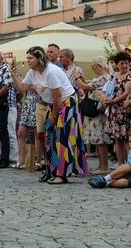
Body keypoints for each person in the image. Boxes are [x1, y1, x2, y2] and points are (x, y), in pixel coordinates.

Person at [19, 45, 84, 185]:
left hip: (66, 103)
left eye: (30, 58)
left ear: (39, 59)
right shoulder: (32, 72)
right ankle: (50, 170)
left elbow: (58, 96)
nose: (28, 60)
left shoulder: (51, 71)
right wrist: (13, 75)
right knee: (49, 138)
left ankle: (62, 174)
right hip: (53, 104)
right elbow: (22, 88)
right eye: (27, 58)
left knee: (62, 138)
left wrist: (54, 117)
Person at [102, 52, 131, 168]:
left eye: (126, 63)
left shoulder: (130, 76)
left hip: (123, 109)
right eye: (122, 63)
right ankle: (121, 164)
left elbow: (127, 92)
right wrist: (105, 99)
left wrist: (114, 101)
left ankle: (129, 164)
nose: (125, 66)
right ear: (117, 64)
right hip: (113, 110)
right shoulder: (114, 76)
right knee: (117, 139)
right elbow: (104, 90)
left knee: (125, 138)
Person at [80, 57, 112, 174]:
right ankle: (101, 165)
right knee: (97, 138)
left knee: (100, 138)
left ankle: (104, 165)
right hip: (96, 111)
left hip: (98, 111)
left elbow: (86, 87)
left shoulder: (103, 78)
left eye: (94, 67)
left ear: (99, 66)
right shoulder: (105, 78)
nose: (93, 70)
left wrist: (77, 77)